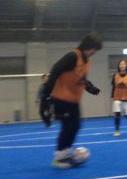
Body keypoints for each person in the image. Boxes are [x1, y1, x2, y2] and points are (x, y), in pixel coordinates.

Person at [41, 33, 102, 168]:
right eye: (94, 49)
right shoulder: (73, 56)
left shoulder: (88, 60)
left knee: (76, 126)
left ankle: (66, 153)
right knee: (67, 126)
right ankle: (59, 158)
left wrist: (90, 87)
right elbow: (55, 71)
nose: (94, 52)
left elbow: (82, 78)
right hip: (61, 99)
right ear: (88, 46)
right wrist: (45, 96)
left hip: (74, 100)